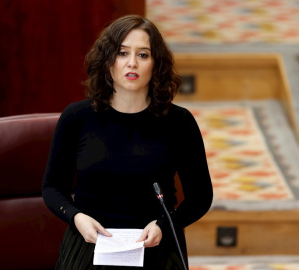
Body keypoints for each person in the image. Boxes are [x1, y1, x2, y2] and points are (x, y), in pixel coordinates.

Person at [42, 15, 213, 269]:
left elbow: (201, 196)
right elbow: (53, 187)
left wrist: (165, 226)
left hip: (155, 246)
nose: (132, 63)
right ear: (108, 61)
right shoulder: (77, 118)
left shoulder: (179, 122)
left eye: (143, 55)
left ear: (156, 64)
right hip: (90, 246)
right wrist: (76, 217)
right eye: (122, 53)